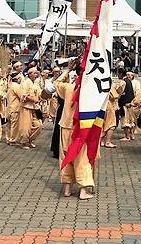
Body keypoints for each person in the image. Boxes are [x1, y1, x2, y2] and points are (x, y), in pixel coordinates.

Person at [56, 60, 95, 200]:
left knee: (66, 156)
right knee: (81, 158)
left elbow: (56, 83)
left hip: (66, 125)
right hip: (80, 128)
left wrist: (67, 70)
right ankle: (83, 190)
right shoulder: (90, 90)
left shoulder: (68, 87)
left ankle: (67, 188)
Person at [18, 67, 42, 149]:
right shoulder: (25, 83)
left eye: (36, 73)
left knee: (38, 125)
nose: (36, 75)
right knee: (26, 127)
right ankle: (24, 142)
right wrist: (33, 99)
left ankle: (30, 139)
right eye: (34, 73)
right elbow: (23, 95)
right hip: (26, 107)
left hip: (35, 108)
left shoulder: (36, 83)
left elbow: (40, 94)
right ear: (30, 74)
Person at [101, 76, 120, 148]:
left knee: (103, 124)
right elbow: (115, 96)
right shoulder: (109, 86)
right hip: (110, 107)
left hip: (102, 107)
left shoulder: (100, 84)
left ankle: (102, 141)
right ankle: (108, 142)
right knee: (111, 125)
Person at [117, 68, 136, 141]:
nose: (118, 75)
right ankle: (132, 135)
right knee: (131, 120)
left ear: (121, 74)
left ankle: (127, 136)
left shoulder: (123, 82)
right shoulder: (129, 81)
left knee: (124, 120)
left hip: (124, 103)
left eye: (118, 73)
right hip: (130, 103)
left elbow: (119, 92)